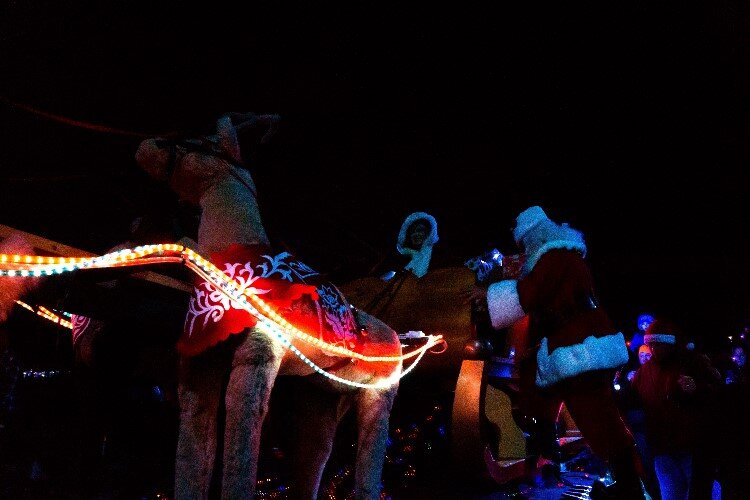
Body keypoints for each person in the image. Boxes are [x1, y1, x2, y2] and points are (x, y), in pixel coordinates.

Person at [467, 205, 648, 499]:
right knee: (543, 389)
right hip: (576, 341)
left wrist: (487, 295)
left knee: (596, 417)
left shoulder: (554, 257)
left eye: (526, 242)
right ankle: (548, 451)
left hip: (581, 349)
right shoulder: (564, 257)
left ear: (536, 236)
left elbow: (530, 292)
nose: (526, 249)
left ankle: (628, 487)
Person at [631, 318, 721, 500]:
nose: (654, 350)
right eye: (651, 345)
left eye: (658, 345)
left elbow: (717, 390)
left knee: (699, 491)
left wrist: (697, 388)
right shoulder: (644, 372)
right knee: (671, 494)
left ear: (669, 343)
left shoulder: (692, 362)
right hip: (662, 447)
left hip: (690, 446)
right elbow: (632, 399)